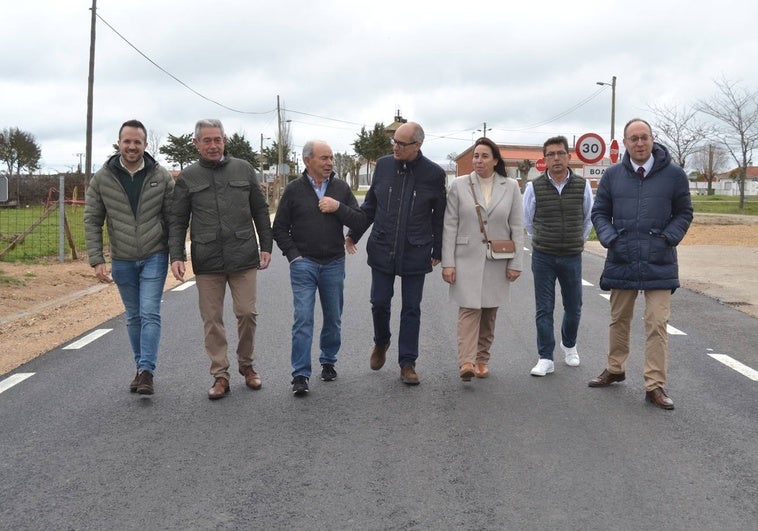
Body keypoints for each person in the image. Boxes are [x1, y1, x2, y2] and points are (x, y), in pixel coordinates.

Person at [589, 118, 693, 410]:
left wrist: (668, 238)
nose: (639, 143)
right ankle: (615, 368)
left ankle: (654, 384)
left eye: (643, 137)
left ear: (652, 139)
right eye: (633, 138)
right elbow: (599, 212)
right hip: (622, 258)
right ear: (625, 142)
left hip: (659, 260)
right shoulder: (612, 176)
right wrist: (611, 239)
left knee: (657, 323)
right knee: (619, 318)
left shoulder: (674, 175)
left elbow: (684, 212)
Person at [169, 119, 273, 400]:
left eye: (217, 140)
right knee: (212, 319)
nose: (213, 145)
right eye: (207, 141)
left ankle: (247, 365)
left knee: (247, 313)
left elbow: (260, 210)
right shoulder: (189, 177)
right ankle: (220, 375)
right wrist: (176, 255)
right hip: (207, 258)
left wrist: (267, 245)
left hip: (243, 255)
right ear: (196, 144)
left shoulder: (243, 169)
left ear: (224, 141)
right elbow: (178, 220)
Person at [345, 122, 447, 385]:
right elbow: (370, 206)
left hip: (416, 248)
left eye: (401, 144)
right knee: (379, 301)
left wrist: (439, 249)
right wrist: (354, 234)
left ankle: (407, 363)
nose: (395, 148)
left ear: (418, 145)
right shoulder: (384, 165)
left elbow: (439, 216)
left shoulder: (434, 174)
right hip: (382, 245)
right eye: (394, 143)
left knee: (411, 308)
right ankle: (381, 342)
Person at [84, 119, 174, 396]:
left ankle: (146, 371)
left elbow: (174, 219)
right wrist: (97, 259)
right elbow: (91, 220)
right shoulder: (102, 178)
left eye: (137, 142)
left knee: (149, 312)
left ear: (145, 145)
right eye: (127, 141)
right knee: (133, 316)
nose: (132, 146)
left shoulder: (162, 176)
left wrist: (177, 255)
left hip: (154, 255)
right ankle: (140, 368)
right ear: (119, 143)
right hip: (122, 258)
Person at [272, 140, 367, 397]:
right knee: (303, 318)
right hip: (304, 263)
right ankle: (300, 374)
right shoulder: (293, 190)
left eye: (331, 158)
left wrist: (338, 208)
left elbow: (360, 220)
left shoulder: (340, 187)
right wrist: (294, 256)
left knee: (333, 316)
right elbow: (279, 228)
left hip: (334, 262)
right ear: (307, 161)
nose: (329, 163)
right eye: (324, 158)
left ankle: (328, 360)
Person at [441, 137, 523, 380]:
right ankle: (466, 362)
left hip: (498, 257)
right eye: (476, 155)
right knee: (468, 309)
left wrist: (516, 263)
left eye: (484, 156)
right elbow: (450, 224)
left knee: (488, 313)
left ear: (495, 160)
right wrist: (448, 263)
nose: (478, 160)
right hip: (465, 257)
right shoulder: (459, 184)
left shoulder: (510, 186)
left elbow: (517, 227)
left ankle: (482, 359)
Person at [523, 135, 593, 377]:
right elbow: (527, 221)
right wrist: (543, 238)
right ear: (544, 159)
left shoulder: (583, 186)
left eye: (560, 153)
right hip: (543, 256)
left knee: (574, 306)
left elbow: (587, 219)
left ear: (568, 156)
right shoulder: (533, 187)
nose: (556, 158)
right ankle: (545, 358)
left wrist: (577, 240)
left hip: (572, 255)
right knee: (544, 308)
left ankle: (569, 345)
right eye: (551, 154)